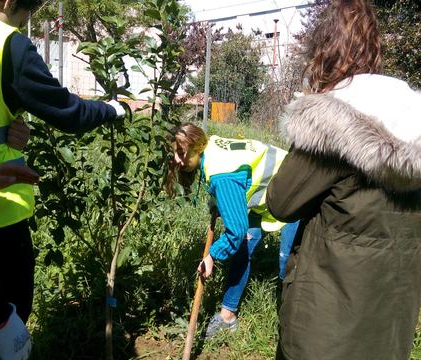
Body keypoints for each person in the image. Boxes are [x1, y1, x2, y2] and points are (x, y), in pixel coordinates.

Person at [0, 0, 126, 358]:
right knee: (0, 341)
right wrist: (115, 109)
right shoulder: (4, 43)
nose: (21, 23)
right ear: (9, 2)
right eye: (24, 16)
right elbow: (69, 113)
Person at [266, 0, 421, 359]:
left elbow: (281, 201)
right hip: (391, 321)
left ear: (327, 50)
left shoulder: (332, 119)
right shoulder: (412, 120)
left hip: (326, 327)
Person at [167, 123, 298, 338]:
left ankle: (292, 329)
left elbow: (235, 232)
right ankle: (227, 317)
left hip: (295, 189)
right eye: (176, 154)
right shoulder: (210, 148)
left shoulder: (221, 174)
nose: (179, 160)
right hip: (270, 191)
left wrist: (212, 256)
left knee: (289, 264)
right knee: (243, 246)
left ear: (197, 146)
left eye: (182, 153)